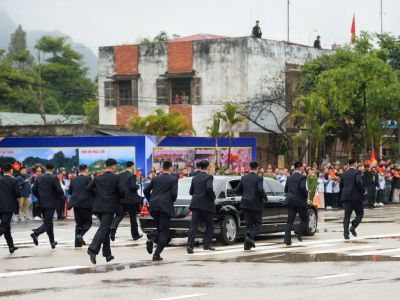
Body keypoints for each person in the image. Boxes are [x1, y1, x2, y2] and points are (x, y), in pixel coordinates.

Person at [87, 159, 123, 265]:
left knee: (105, 228)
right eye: (115, 166)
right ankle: (92, 250)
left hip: (98, 207)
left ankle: (107, 254)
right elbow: (123, 191)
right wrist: (118, 197)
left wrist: (96, 197)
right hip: (109, 207)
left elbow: (88, 189)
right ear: (113, 166)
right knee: (104, 228)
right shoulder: (116, 177)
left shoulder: (98, 178)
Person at [143, 161, 178, 261]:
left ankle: (151, 238)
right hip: (165, 207)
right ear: (170, 168)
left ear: (163, 168)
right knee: (164, 232)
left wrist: (151, 200)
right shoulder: (173, 179)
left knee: (159, 228)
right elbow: (174, 194)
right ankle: (157, 254)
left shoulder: (156, 178)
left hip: (154, 206)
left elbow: (146, 190)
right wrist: (170, 201)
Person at [235, 161, 268, 250]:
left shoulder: (244, 178)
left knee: (248, 225)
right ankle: (249, 237)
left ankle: (247, 246)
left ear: (249, 167)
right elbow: (260, 190)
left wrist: (245, 194)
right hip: (256, 203)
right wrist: (265, 198)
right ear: (257, 168)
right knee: (257, 225)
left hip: (245, 203)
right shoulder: (259, 178)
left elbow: (237, 190)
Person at [31, 163, 64, 249]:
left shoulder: (39, 177)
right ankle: (36, 233)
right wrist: (61, 196)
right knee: (48, 222)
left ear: (45, 168)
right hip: (51, 203)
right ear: (52, 169)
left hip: (41, 202)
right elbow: (59, 190)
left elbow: (33, 189)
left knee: (48, 222)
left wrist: (40, 196)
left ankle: (52, 242)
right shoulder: (54, 177)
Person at [186, 160, 217, 254]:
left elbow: (191, 192)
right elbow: (209, 188)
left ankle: (190, 245)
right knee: (210, 225)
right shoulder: (209, 177)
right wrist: (213, 197)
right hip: (206, 205)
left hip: (195, 204)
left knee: (193, 226)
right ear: (208, 167)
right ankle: (207, 244)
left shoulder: (195, 178)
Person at [110, 161, 143, 242]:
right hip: (131, 200)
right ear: (132, 166)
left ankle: (113, 228)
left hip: (122, 199)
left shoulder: (121, 174)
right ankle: (135, 235)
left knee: (118, 216)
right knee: (132, 218)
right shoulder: (132, 175)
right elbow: (132, 187)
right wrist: (137, 185)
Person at [68, 164, 93, 248]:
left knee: (78, 224)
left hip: (76, 203)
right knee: (88, 223)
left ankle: (77, 243)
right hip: (86, 203)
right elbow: (91, 189)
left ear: (79, 170)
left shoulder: (74, 179)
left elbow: (70, 192)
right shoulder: (88, 178)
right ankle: (80, 235)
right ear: (85, 170)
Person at [284, 162, 309, 246]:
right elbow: (302, 187)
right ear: (300, 167)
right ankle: (298, 232)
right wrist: (305, 195)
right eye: (303, 167)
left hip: (290, 200)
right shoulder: (302, 177)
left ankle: (287, 239)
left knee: (289, 221)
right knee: (305, 219)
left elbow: (286, 189)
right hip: (300, 201)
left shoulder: (289, 178)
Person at [340, 159, 366, 240]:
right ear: (355, 164)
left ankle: (345, 233)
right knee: (360, 213)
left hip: (346, 197)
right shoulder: (357, 172)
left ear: (348, 164)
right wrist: (363, 191)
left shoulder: (344, 174)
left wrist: (344, 193)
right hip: (356, 197)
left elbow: (341, 186)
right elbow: (358, 182)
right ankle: (353, 226)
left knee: (346, 216)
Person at [0, 163, 21, 253]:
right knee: (4, 226)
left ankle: (11, 246)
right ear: (11, 170)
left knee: (6, 227)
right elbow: (18, 194)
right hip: (8, 207)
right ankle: (11, 246)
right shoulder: (14, 181)